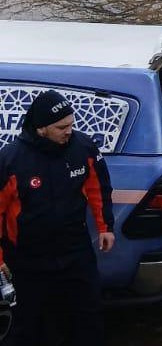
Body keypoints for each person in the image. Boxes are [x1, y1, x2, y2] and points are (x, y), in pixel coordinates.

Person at [0, 89, 115, 346]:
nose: (69, 131)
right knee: (29, 324)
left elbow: (98, 188)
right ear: (41, 129)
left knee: (88, 316)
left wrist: (105, 227)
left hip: (75, 250)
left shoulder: (82, 147)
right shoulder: (11, 160)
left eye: (71, 124)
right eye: (62, 127)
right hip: (28, 258)